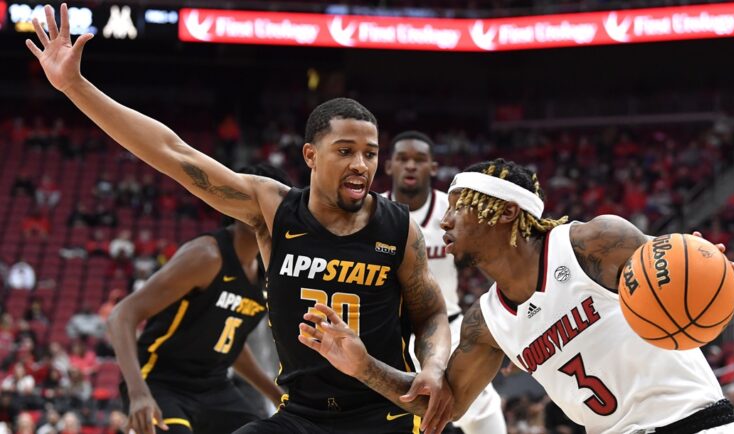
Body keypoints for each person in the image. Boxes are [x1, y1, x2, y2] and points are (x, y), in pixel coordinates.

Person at [27, 7, 450, 434]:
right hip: (302, 417)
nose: (361, 164)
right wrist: (75, 87)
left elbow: (431, 313)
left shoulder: (398, 227)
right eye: (345, 151)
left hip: (385, 415)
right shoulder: (274, 210)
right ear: (310, 155)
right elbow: (175, 153)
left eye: (370, 153)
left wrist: (432, 365)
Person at [299, 159, 734, 433]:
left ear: (508, 211)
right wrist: (364, 367)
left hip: (694, 422)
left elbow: (681, 264)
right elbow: (439, 410)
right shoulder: (487, 323)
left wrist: (707, 269)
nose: (446, 221)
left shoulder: (592, 243)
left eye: (460, 207)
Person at [108, 165, 287, 434]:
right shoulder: (207, 257)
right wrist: (138, 393)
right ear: (232, 204)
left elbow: (231, 343)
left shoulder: (268, 272)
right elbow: (121, 315)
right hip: (160, 380)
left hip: (213, 386)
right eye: (256, 197)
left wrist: (276, 394)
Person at [384, 131, 506, 434]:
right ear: (389, 167)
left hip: (445, 324)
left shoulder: (452, 212)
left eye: (419, 159)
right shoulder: (374, 213)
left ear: (433, 168)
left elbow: (488, 261)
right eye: (403, 159)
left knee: (482, 405)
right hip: (391, 330)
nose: (411, 166)